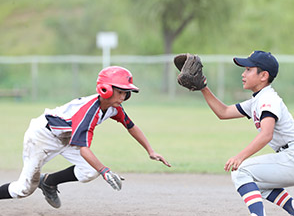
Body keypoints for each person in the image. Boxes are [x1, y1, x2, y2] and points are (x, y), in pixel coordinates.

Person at [185, 51, 294, 216]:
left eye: (249, 69)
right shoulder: (257, 100)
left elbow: (266, 134)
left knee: (241, 171)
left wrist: (240, 157)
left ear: (263, 76)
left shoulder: (268, 99)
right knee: (256, 182)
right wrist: (203, 88)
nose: (243, 73)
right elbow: (223, 112)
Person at [0, 66, 171, 208]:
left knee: (89, 170)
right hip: (42, 137)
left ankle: (48, 182)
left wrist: (150, 150)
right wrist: (105, 170)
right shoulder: (88, 113)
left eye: (126, 93)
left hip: (67, 137)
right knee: (24, 189)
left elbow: (131, 126)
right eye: (120, 92)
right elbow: (84, 149)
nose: (124, 97)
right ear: (106, 90)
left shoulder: (113, 107)